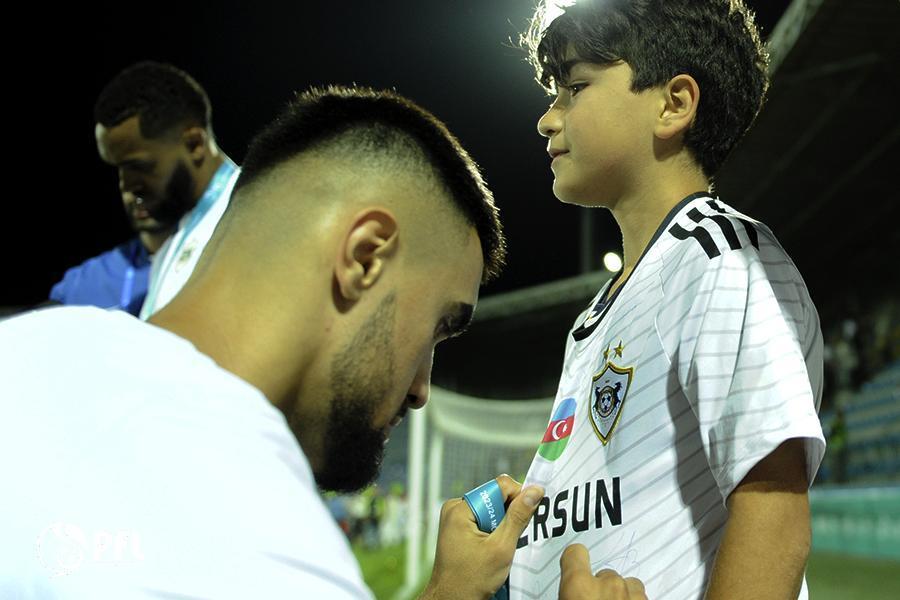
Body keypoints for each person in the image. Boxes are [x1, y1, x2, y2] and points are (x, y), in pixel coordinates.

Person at [0, 85, 642, 600]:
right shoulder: (269, 557)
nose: (422, 389)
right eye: (437, 329)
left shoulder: (28, 353)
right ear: (364, 257)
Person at [512, 1, 826, 599]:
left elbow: (775, 516)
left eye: (574, 88)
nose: (548, 120)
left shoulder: (719, 259)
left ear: (674, 104)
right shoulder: (598, 314)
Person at [92, 60, 239, 319]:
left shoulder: (252, 210)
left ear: (195, 144)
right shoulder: (178, 236)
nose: (126, 185)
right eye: (119, 169)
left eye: (139, 166)